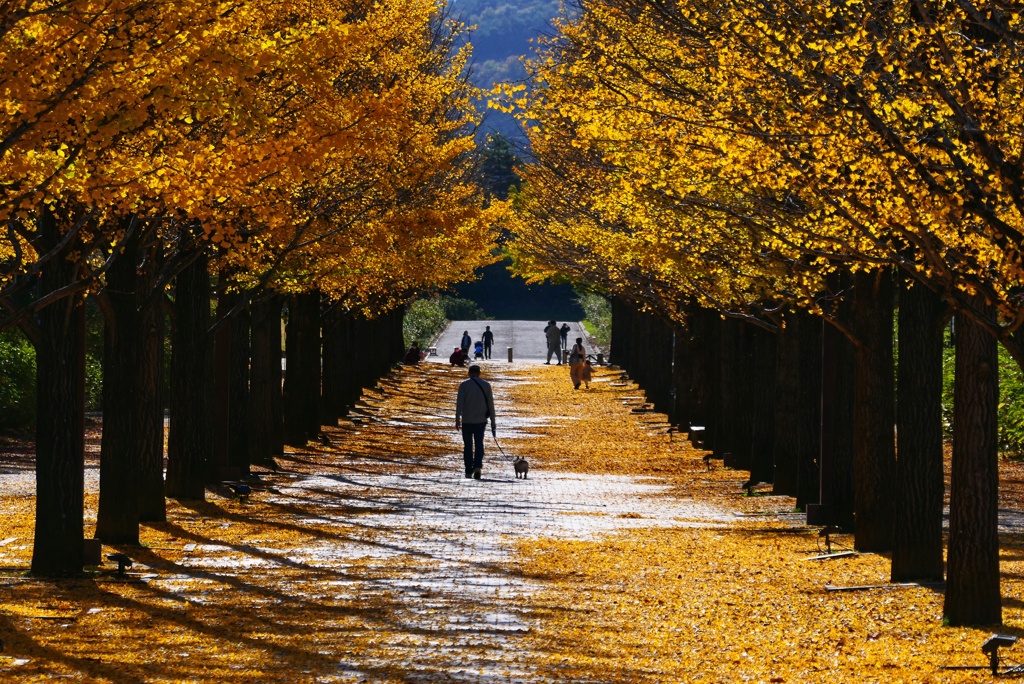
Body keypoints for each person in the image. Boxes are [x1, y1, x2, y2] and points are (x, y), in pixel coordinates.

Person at [455, 364, 496, 479]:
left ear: (469, 373)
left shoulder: (464, 385)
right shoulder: (486, 385)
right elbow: (491, 404)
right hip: (481, 420)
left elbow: (459, 403)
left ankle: (468, 470)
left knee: (467, 446)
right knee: (479, 444)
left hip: (467, 420)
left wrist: (457, 418)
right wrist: (493, 421)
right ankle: (477, 465)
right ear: (479, 373)